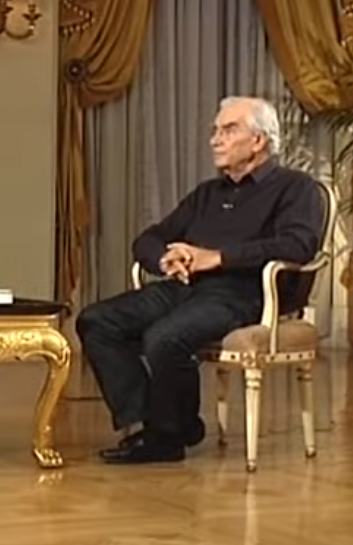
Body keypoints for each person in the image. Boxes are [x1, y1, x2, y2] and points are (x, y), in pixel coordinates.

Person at [76, 96, 325, 464]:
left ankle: (165, 436)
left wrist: (218, 257)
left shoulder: (295, 187)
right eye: (215, 131)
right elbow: (149, 237)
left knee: (164, 338)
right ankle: (167, 425)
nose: (215, 139)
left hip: (242, 293)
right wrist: (165, 259)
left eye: (228, 130)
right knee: (96, 320)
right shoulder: (208, 193)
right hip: (185, 287)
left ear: (258, 141)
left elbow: (298, 245)